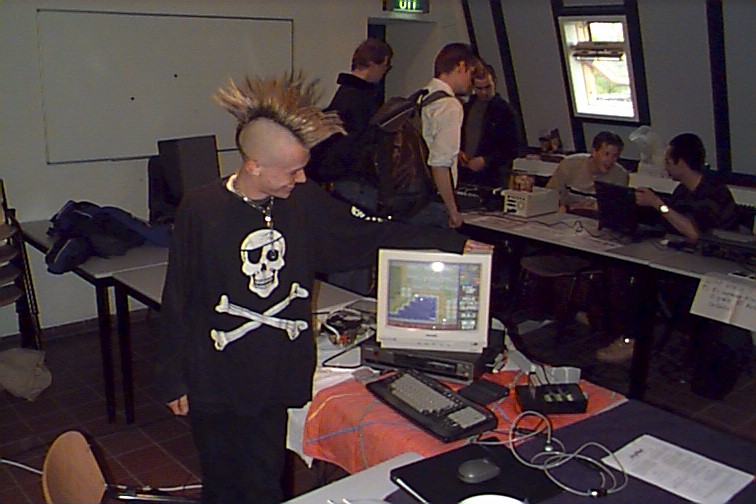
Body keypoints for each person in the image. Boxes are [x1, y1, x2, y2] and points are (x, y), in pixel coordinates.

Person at [154, 73, 488, 504]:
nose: (301, 178)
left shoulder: (302, 203)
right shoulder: (201, 208)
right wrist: (173, 378)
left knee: (264, 481)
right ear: (254, 166)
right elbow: (179, 295)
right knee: (221, 480)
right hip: (214, 376)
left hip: (273, 374)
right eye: (292, 171)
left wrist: (449, 242)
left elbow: (369, 233)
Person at [596, 132, 739, 363]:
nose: (666, 166)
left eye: (668, 161)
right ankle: (613, 325)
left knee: (645, 282)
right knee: (626, 269)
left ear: (681, 163)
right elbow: (670, 225)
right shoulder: (683, 191)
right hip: (685, 257)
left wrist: (658, 204)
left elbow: (694, 233)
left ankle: (633, 339)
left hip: (715, 267)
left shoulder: (714, 192)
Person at [415, 42, 477, 229]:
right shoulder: (450, 105)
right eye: (470, 73)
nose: (471, 81)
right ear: (461, 66)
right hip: (433, 199)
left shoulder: (422, 97)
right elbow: (439, 164)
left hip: (414, 195)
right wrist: (453, 210)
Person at [459, 62, 521, 188]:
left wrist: (486, 160)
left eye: (487, 87)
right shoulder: (466, 109)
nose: (484, 92)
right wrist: (459, 152)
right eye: (479, 88)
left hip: (493, 177)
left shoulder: (505, 111)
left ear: (494, 82)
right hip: (465, 173)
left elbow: (514, 148)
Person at [546, 131, 628, 213]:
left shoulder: (620, 175)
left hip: (595, 218)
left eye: (615, 156)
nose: (610, 160)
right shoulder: (569, 164)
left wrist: (576, 208)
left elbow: (613, 209)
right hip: (565, 214)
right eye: (606, 154)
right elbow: (549, 196)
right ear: (594, 152)